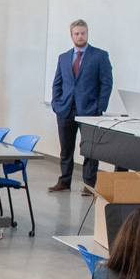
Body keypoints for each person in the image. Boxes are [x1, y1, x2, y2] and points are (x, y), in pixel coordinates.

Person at [47, 19, 113, 196]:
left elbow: (106, 83)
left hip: (90, 111)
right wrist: (56, 103)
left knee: (90, 149)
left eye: (83, 33)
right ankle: (64, 181)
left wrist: (100, 106)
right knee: (66, 149)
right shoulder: (64, 57)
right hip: (66, 109)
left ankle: (89, 184)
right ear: (71, 35)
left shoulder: (99, 56)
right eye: (76, 33)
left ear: (87, 34)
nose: (80, 36)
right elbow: (57, 83)